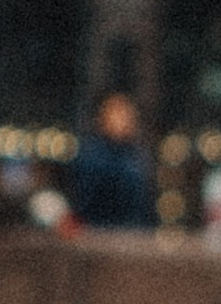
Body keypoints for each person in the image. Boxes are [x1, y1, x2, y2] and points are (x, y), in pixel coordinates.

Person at [61, 90, 155, 233]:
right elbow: (82, 206)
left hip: (136, 239)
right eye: (117, 113)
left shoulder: (138, 157)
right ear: (102, 118)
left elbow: (144, 209)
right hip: (97, 238)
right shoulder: (90, 158)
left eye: (128, 114)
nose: (124, 119)